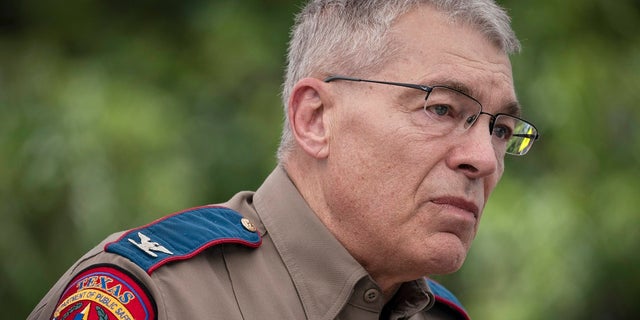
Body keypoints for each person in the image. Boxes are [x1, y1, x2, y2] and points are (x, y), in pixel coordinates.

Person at [28, 0, 539, 319]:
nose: (484, 160)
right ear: (315, 119)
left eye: (500, 129)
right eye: (442, 108)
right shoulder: (156, 299)